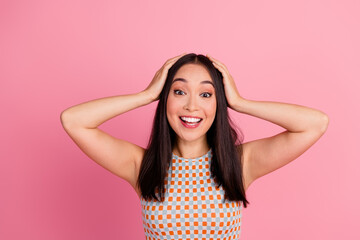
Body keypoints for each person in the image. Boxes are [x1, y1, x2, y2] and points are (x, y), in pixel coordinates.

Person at [60, 53, 329, 239]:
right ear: (165, 99)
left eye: (206, 94)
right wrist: (147, 95)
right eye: (179, 92)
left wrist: (240, 102)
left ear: (218, 103)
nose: (191, 106)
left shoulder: (240, 162)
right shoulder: (141, 165)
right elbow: (73, 120)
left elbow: (315, 123)